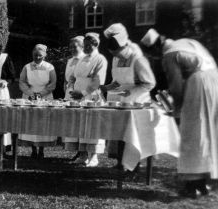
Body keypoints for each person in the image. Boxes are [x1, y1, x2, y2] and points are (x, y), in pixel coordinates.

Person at [144, 33, 218, 198]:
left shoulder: (169, 55)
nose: (155, 58)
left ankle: (194, 185)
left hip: (199, 83)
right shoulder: (184, 42)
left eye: (153, 55)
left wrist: (176, 111)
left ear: (156, 48)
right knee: (210, 132)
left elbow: (176, 87)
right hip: (215, 81)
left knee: (192, 132)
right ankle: (207, 179)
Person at [102, 23, 156, 169]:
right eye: (113, 54)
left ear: (124, 46)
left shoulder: (138, 58)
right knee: (119, 133)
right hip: (119, 99)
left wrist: (130, 94)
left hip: (137, 100)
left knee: (133, 135)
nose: (116, 56)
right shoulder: (115, 58)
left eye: (117, 53)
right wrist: (107, 88)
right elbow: (116, 81)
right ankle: (121, 162)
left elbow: (149, 83)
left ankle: (134, 165)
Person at [63, 33, 108, 166]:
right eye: (85, 45)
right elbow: (73, 76)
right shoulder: (82, 59)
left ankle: (93, 156)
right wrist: (70, 85)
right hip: (77, 97)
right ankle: (82, 155)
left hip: (91, 96)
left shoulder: (100, 59)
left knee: (92, 126)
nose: (86, 48)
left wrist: (82, 93)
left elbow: (97, 81)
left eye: (89, 46)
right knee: (80, 126)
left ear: (96, 45)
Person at [18, 44, 57, 159]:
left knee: (43, 122)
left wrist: (41, 94)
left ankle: (42, 149)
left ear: (44, 55)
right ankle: (33, 149)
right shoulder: (27, 67)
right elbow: (22, 82)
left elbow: (53, 83)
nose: (37, 58)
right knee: (31, 122)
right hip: (30, 96)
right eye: (35, 55)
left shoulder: (50, 67)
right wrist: (31, 93)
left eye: (40, 55)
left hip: (45, 96)